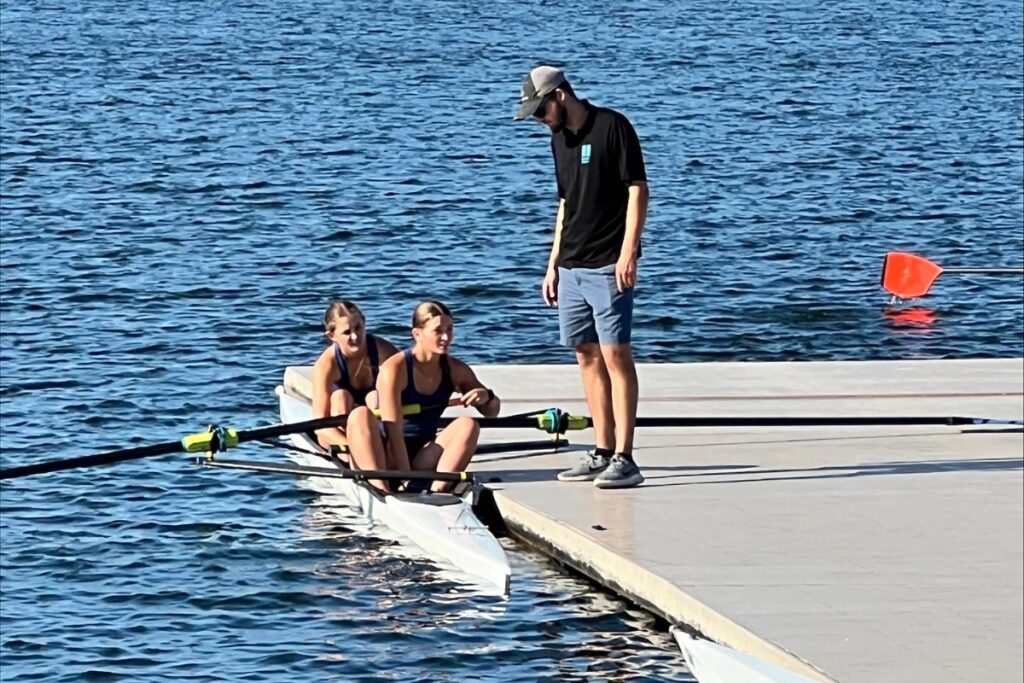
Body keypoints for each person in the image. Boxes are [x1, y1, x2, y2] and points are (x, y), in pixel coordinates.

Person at [514, 65, 650, 489]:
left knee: (616, 357)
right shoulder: (559, 140)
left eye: (540, 110)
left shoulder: (613, 126)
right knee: (586, 356)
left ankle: (626, 457)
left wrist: (630, 250)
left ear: (559, 96)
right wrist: (552, 263)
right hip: (571, 264)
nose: (539, 120)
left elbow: (637, 189)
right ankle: (602, 450)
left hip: (609, 263)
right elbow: (564, 203)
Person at [347, 300, 501, 493]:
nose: (446, 337)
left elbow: (493, 412)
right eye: (438, 331)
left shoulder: (455, 369)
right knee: (359, 415)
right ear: (417, 334)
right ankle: (381, 489)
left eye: (450, 329)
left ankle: (437, 492)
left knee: (468, 425)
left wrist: (487, 397)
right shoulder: (395, 369)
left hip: (423, 455)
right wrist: (405, 480)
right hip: (387, 453)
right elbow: (393, 430)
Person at [311, 300, 399, 459]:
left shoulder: (384, 352)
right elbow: (320, 427)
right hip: (340, 435)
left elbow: (413, 384)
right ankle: (354, 459)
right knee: (341, 397)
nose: (355, 336)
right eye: (346, 332)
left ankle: (386, 453)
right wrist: (358, 447)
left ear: (364, 323)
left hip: (376, 429)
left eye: (358, 328)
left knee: (375, 397)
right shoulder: (326, 365)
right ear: (332, 336)